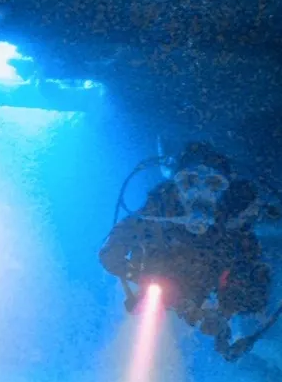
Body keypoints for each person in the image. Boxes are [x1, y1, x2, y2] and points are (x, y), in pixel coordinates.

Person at [99, 143, 271, 361]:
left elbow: (255, 286)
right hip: (159, 294)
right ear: (176, 184)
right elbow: (110, 253)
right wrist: (140, 277)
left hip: (205, 297)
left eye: (213, 184)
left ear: (225, 190)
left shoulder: (234, 227)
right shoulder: (156, 213)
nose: (200, 193)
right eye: (188, 182)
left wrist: (223, 313)